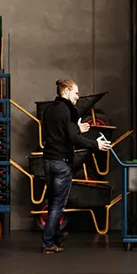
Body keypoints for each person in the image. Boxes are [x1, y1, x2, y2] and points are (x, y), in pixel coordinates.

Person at [37, 78, 109, 253]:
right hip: (62, 163)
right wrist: (95, 145)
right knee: (57, 205)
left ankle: (56, 238)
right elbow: (73, 139)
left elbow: (58, 133)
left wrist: (76, 128)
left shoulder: (49, 110)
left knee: (53, 200)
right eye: (76, 93)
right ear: (67, 91)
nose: (78, 97)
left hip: (47, 161)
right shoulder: (70, 110)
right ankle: (48, 243)